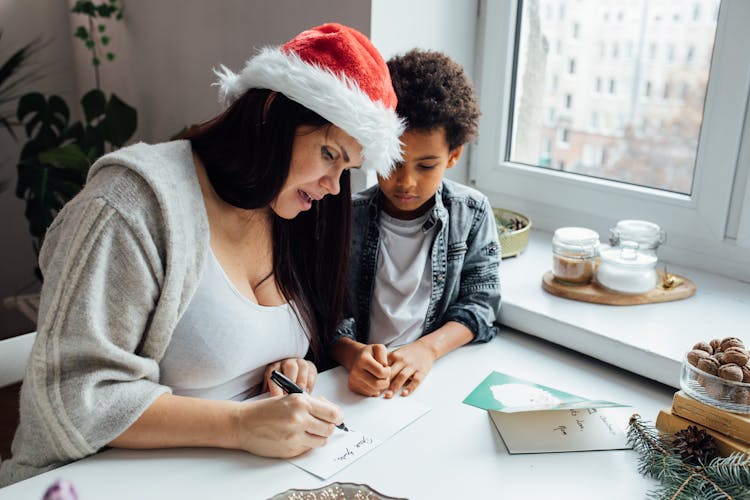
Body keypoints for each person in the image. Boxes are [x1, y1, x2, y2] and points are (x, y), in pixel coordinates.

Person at [0, 23, 404, 486]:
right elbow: (73, 399)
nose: (335, 187)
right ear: (273, 110)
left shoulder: (287, 211)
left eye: (348, 168)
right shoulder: (130, 206)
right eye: (330, 154)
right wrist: (240, 426)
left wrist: (287, 368)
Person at [330, 49, 501, 399]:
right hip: (353, 383)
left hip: (433, 382)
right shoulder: (348, 216)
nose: (405, 182)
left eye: (425, 166)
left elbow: (480, 305)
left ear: (453, 156)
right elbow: (320, 311)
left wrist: (428, 350)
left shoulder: (471, 213)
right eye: (393, 161)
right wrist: (352, 354)